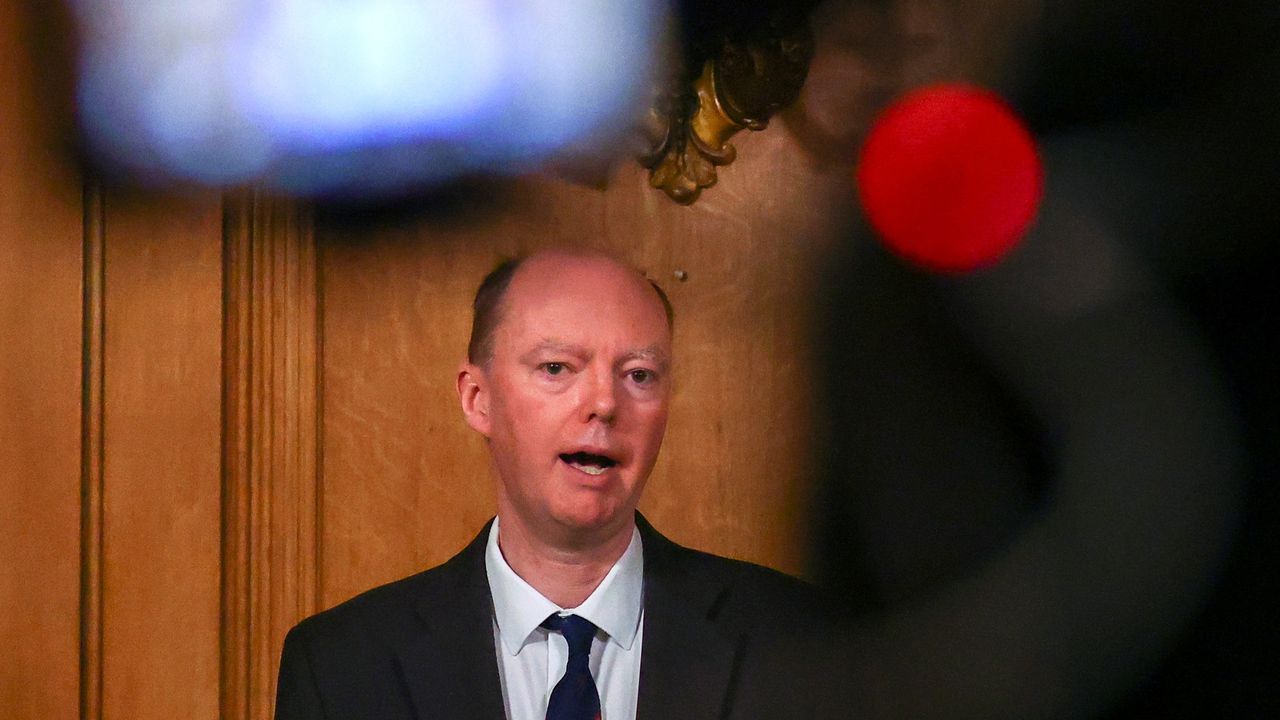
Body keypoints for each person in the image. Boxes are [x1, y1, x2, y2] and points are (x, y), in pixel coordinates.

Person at [274, 248, 830, 720]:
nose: (605, 404)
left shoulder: (804, 644)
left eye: (638, 375)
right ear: (478, 399)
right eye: (558, 368)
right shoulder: (341, 665)